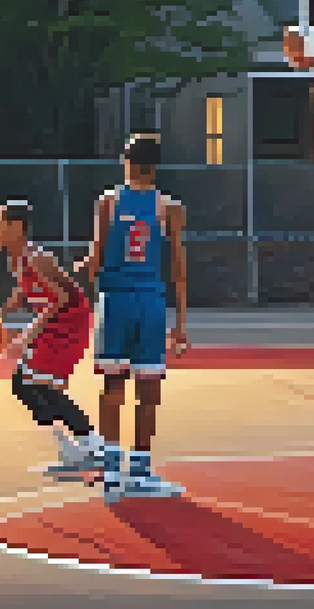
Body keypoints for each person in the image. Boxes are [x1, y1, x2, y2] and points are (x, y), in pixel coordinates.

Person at [78, 134, 189, 502]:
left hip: (115, 303)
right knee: (149, 389)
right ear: (156, 165)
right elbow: (178, 268)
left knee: (113, 387)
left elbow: (93, 261)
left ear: (125, 160)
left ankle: (112, 470)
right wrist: (182, 322)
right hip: (151, 302)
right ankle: (139, 471)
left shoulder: (108, 203)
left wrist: (71, 276)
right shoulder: (169, 207)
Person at [0, 200, 105, 481]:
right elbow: (22, 292)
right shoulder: (16, 259)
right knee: (25, 385)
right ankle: (70, 448)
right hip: (54, 320)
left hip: (70, 320)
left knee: (41, 385)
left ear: (15, 228)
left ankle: (94, 447)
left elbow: (61, 299)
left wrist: (28, 332)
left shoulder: (35, 257)